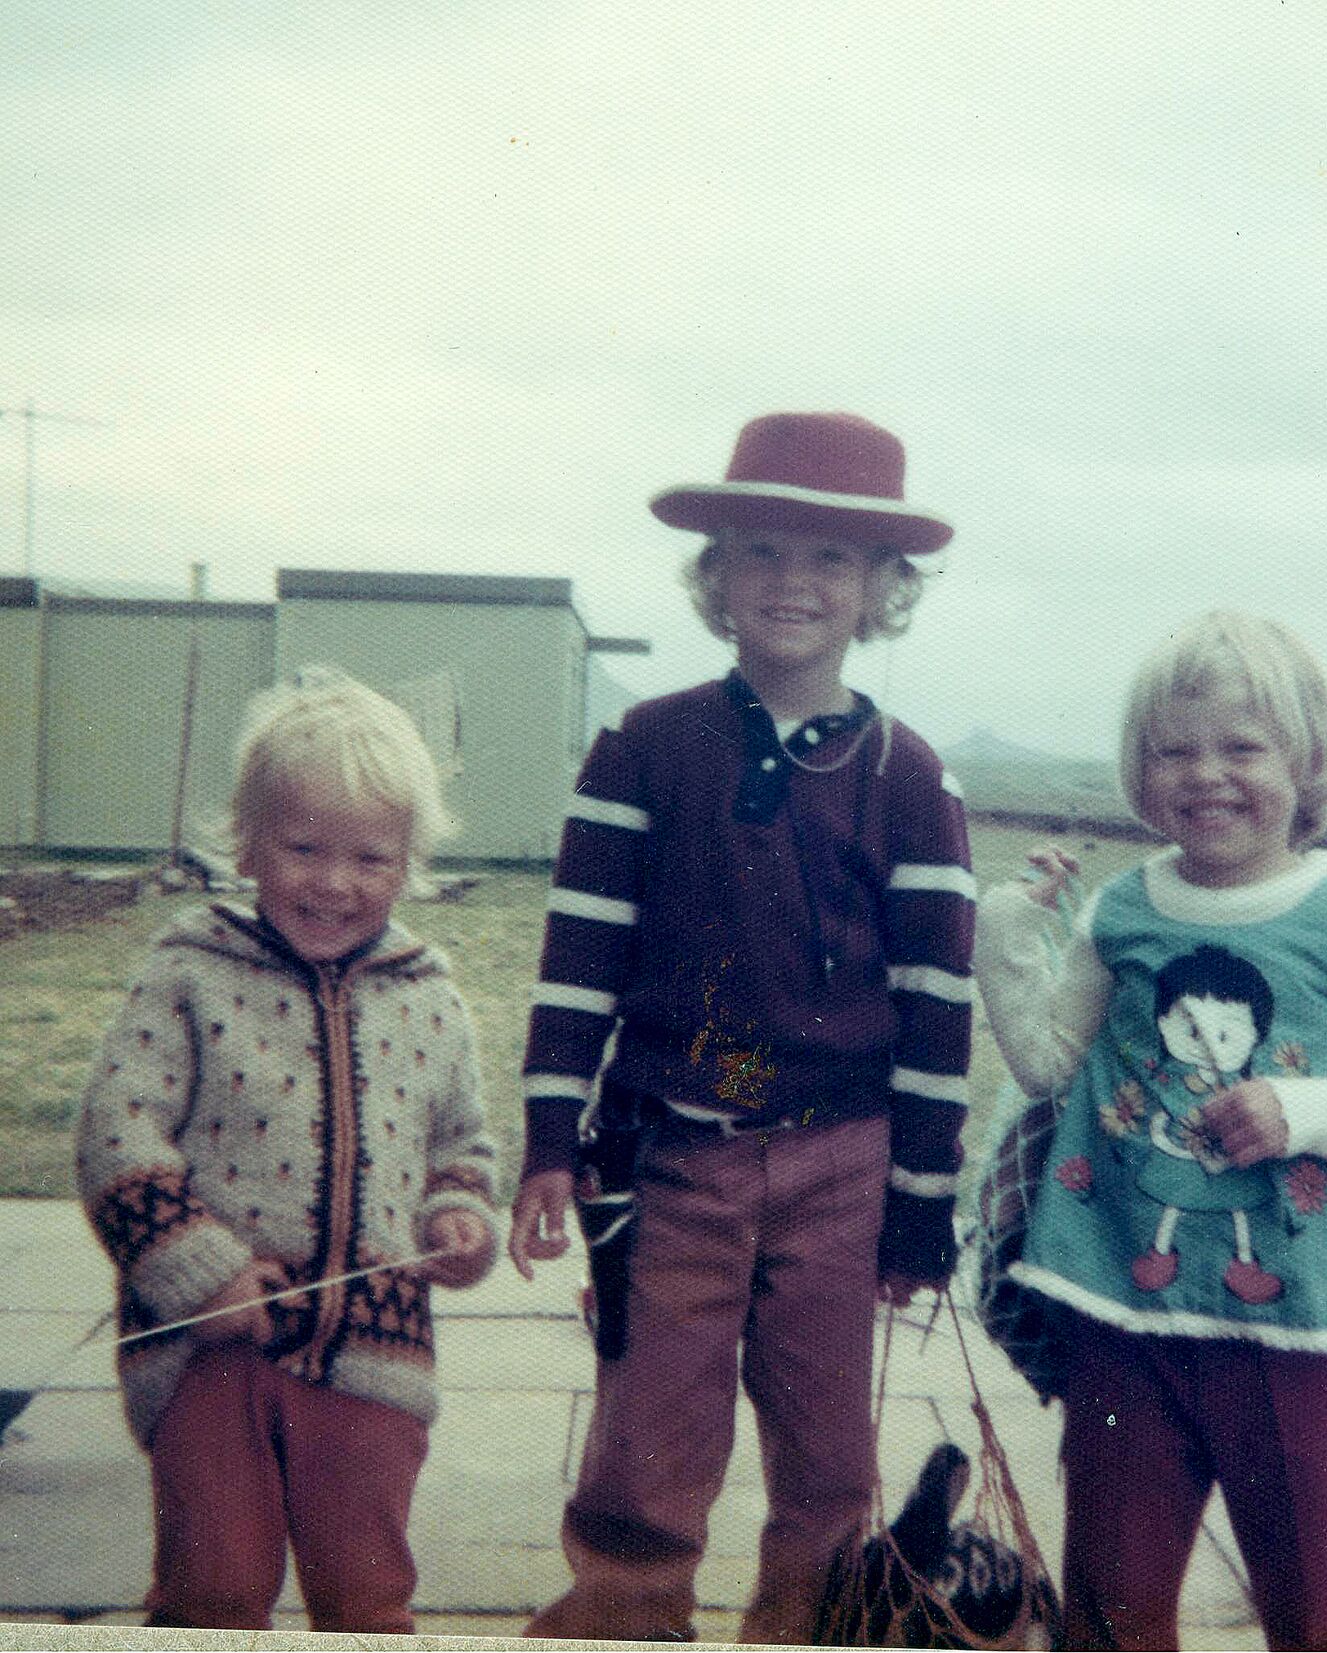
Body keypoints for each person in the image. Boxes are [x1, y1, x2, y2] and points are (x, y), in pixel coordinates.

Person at [509, 411, 975, 1643]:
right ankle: (626, 1617)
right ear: (715, 575)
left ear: (881, 589)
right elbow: (578, 961)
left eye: (830, 558)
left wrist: (921, 1201)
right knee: (647, 1439)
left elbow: (937, 1004)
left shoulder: (909, 776)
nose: (791, 581)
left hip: (843, 1166)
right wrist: (550, 1139)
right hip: (673, 1158)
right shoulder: (643, 748)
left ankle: (805, 1626)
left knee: (827, 1452)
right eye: (761, 549)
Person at [972, 611, 1327, 1651]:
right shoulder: (1118, 910)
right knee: (1110, 1608)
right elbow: (1049, 1064)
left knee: (1316, 1608)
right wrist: (1009, 932)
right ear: (1138, 770)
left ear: (1306, 760)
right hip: (1122, 1303)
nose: (1207, 775)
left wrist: (1305, 1111)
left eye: (1243, 746)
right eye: (1172, 750)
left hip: (1290, 1321)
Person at [75, 668, 498, 1633]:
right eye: (303, 847)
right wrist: (198, 1270)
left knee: (367, 1596)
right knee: (215, 1586)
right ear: (248, 841)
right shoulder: (190, 971)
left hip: (378, 1353)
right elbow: (115, 1131)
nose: (335, 882)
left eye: (370, 857)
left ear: (408, 862)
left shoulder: (430, 994)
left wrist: (458, 1212)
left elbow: (460, 1141)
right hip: (207, 1348)